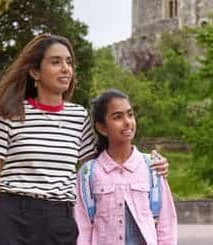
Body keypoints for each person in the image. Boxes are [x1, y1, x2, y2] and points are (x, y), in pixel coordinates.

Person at [0, 35, 169, 245]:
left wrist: (150, 164)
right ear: (35, 71)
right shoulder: (10, 114)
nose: (66, 69)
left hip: (60, 222)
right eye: (56, 62)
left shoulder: (78, 117)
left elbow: (103, 166)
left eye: (69, 62)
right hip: (12, 219)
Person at [75, 89, 177, 245]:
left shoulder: (152, 168)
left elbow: (166, 224)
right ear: (102, 128)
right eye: (117, 117)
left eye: (130, 114)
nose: (127, 121)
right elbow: (82, 228)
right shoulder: (89, 173)